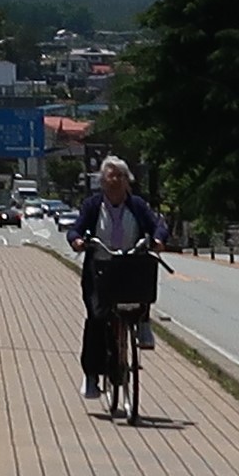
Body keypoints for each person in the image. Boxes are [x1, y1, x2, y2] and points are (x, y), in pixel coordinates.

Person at [62, 156, 167, 401]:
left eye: (121, 176)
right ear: (103, 181)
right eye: (112, 176)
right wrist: (77, 241)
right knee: (97, 319)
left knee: (143, 280)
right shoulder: (92, 205)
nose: (117, 181)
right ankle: (91, 376)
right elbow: (76, 229)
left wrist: (159, 239)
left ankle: (143, 323)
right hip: (100, 268)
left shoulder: (137, 205)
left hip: (129, 263)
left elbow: (157, 225)